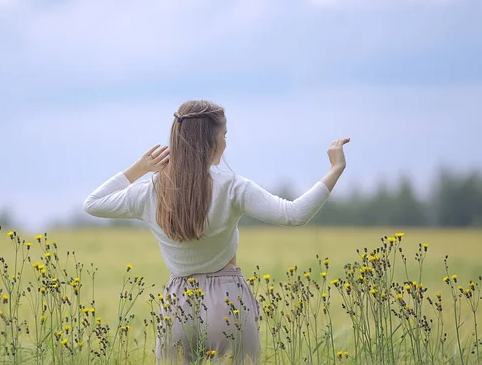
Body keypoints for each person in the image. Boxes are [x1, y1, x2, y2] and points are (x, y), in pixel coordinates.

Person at [83, 100, 349, 364]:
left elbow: (93, 203)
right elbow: (294, 214)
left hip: (177, 308)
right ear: (212, 141)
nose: (225, 142)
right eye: (224, 135)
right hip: (228, 303)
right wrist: (335, 169)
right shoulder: (232, 187)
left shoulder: (149, 191)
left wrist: (139, 168)